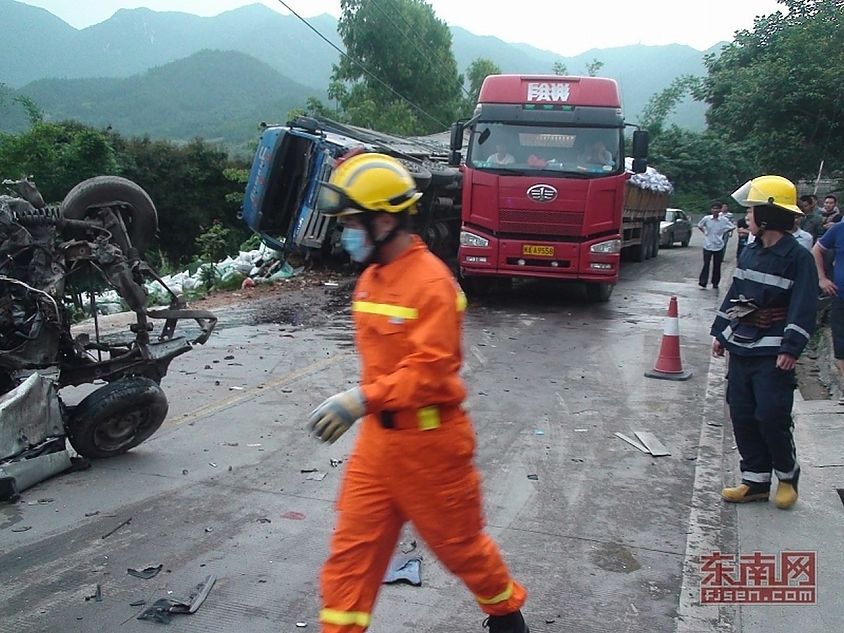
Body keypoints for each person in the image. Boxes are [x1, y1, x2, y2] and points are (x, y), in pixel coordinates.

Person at [308, 153, 529, 633]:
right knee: (351, 555)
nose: (345, 233)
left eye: (351, 223)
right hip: (378, 447)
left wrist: (360, 398)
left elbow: (431, 371)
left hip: (431, 446)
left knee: (461, 549)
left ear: (384, 219)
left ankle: (507, 618)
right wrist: (366, 404)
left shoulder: (432, 284)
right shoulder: (371, 278)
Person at [711, 175, 817, 509]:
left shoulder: (798, 257)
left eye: (753, 211)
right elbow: (734, 294)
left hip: (773, 350)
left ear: (768, 216)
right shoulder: (751, 251)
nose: (747, 217)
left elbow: (804, 306)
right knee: (741, 413)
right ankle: (755, 481)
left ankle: (787, 475)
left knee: (770, 414)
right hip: (743, 344)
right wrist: (721, 335)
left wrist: (790, 349)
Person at [812, 210, 844, 404]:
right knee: (840, 344)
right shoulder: (839, 230)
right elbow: (817, 250)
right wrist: (822, 278)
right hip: (840, 297)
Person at [697, 202, 735, 289]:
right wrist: (705, 232)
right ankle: (703, 282)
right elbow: (700, 225)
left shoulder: (724, 220)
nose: (715, 210)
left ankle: (715, 282)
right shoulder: (707, 219)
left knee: (717, 265)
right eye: (713, 208)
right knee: (706, 264)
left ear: (720, 210)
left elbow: (732, 227)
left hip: (718, 245)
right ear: (711, 210)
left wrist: (723, 232)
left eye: (717, 209)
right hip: (708, 244)